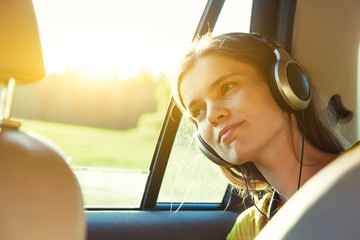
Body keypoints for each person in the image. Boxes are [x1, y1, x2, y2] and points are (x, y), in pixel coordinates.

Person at [171, 32, 359, 239]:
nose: (212, 115)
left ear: (284, 84)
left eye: (227, 87)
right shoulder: (247, 229)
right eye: (198, 111)